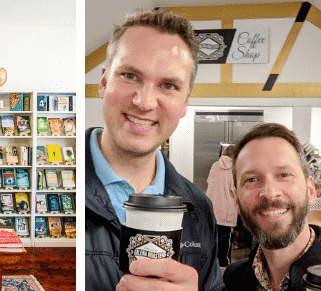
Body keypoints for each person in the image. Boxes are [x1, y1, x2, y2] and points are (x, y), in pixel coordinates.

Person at [85, 8, 225, 291]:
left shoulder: (199, 208)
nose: (145, 101)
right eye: (130, 76)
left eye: (169, 85)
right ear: (103, 82)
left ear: (185, 102)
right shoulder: (59, 189)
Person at [223, 123, 321, 291]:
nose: (270, 193)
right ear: (236, 200)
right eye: (252, 179)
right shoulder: (233, 278)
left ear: (310, 191)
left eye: (284, 175)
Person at [206, 145, 238, 268]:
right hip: (226, 211)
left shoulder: (215, 165)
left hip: (212, 209)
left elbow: (209, 182)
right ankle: (225, 269)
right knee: (225, 243)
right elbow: (234, 190)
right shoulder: (233, 169)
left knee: (213, 240)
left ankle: (212, 267)